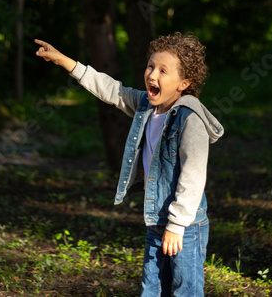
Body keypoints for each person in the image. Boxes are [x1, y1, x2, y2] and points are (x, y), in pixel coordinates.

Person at [34, 32, 224, 296]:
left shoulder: (189, 120)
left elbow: (193, 178)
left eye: (163, 71)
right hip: (155, 219)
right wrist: (66, 62)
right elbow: (112, 90)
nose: (152, 74)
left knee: (186, 290)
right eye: (150, 66)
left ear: (184, 83)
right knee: (151, 288)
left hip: (186, 226)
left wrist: (176, 226)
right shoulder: (147, 105)